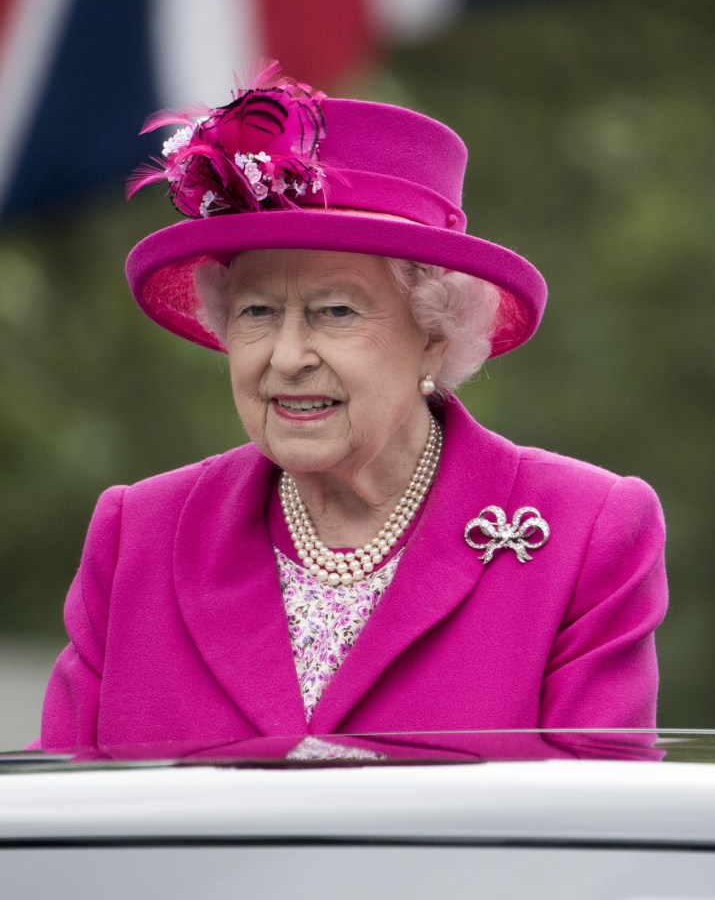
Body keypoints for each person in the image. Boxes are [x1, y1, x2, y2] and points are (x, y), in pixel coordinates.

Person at [37, 62, 667, 754]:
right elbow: (63, 819)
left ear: (433, 333)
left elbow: (596, 829)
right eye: (257, 311)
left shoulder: (586, 533)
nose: (285, 355)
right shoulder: (136, 536)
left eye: (334, 310)